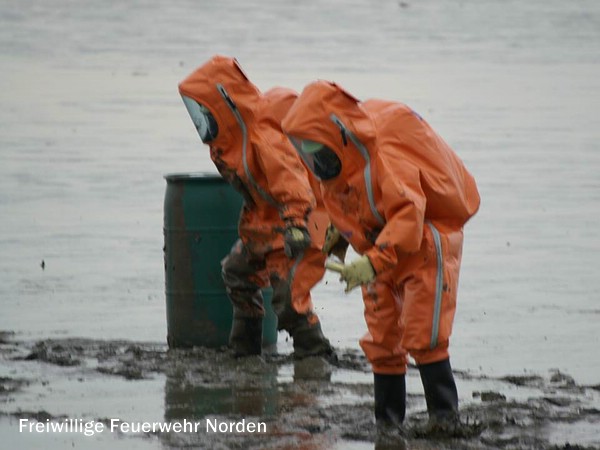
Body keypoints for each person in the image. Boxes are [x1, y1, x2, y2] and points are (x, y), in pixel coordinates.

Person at [282, 81, 480, 430]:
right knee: (382, 339)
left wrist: (373, 262)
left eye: (319, 152)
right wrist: (333, 242)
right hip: (376, 255)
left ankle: (445, 420)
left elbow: (408, 213)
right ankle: (387, 423)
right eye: (308, 153)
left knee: (425, 336)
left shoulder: (383, 157)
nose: (315, 161)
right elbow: (340, 209)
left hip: (423, 247)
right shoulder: (334, 169)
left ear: (340, 135)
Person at [178, 56, 334, 360]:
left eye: (203, 111)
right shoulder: (234, 141)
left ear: (225, 102)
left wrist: (296, 226)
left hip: (313, 219)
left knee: (289, 295)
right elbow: (258, 196)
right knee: (237, 272)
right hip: (269, 223)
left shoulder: (263, 138)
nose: (201, 120)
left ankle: (315, 355)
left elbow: (295, 186)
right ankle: (244, 350)